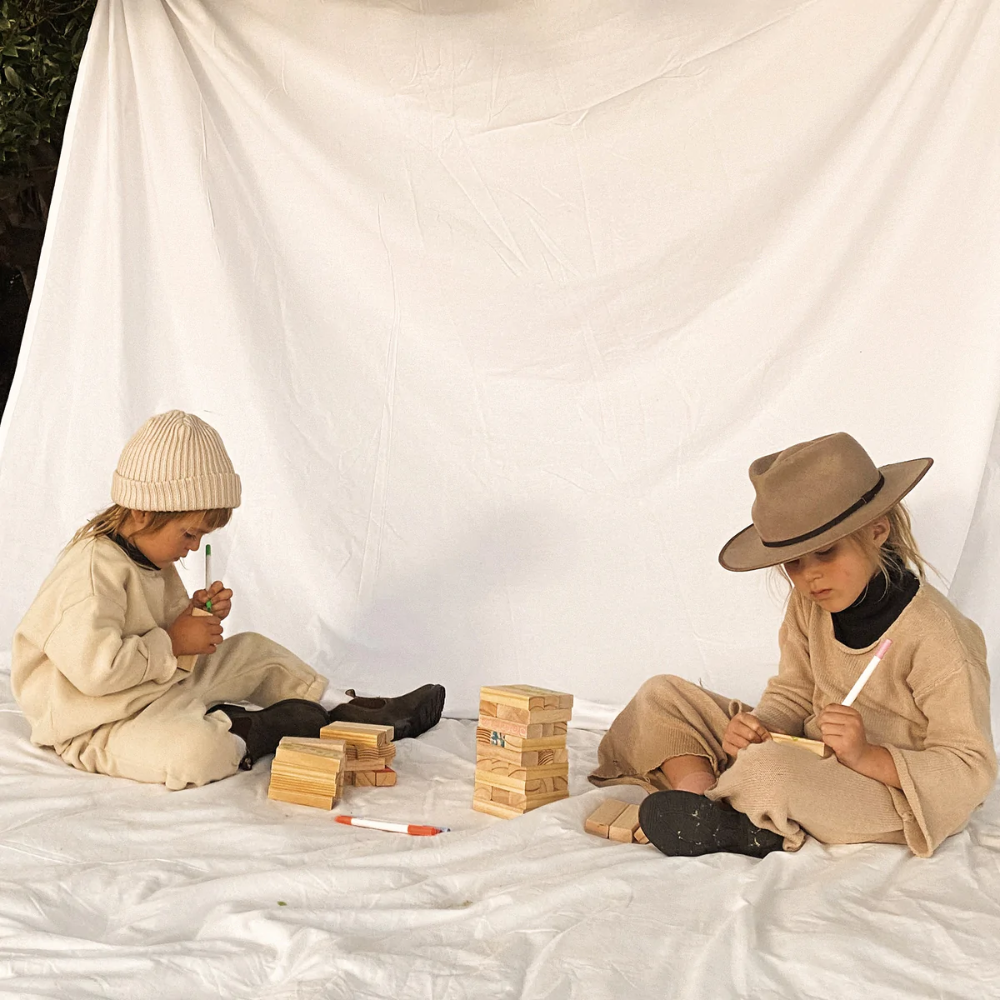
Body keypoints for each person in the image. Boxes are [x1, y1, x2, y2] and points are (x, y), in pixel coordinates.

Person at [590, 432, 996, 858]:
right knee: (662, 696)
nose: (808, 577)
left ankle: (731, 805)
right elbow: (795, 693)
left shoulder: (939, 636)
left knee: (767, 771)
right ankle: (701, 801)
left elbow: (971, 767)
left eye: (825, 553)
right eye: (793, 563)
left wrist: (866, 755)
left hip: (883, 790)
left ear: (878, 531)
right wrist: (758, 726)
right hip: (808, 754)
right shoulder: (810, 604)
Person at [11, 410, 445, 790]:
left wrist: (194, 615)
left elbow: (160, 631)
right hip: (99, 721)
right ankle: (251, 729)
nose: (194, 547)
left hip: (158, 688)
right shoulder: (90, 572)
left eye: (201, 536)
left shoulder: (150, 556)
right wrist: (177, 640)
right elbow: (95, 671)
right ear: (143, 512)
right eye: (189, 533)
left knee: (253, 650)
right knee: (194, 754)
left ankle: (348, 709)